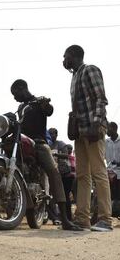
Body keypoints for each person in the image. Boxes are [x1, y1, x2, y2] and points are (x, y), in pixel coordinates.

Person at [10, 79, 82, 231]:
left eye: (15, 94)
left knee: (53, 172)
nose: (14, 97)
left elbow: (49, 110)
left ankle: (64, 219)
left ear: (22, 88)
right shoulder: (21, 107)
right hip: (23, 143)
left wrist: (45, 104)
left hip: (39, 143)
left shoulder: (39, 101)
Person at [63, 44, 112, 231]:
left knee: (99, 173)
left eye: (66, 56)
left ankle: (105, 219)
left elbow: (100, 98)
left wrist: (96, 123)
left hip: (93, 129)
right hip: (81, 131)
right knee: (83, 175)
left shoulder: (89, 70)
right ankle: (82, 218)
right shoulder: (74, 77)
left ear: (74, 56)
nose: (63, 60)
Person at [49, 128, 75, 221]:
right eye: (50, 133)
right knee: (54, 197)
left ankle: (68, 218)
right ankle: (57, 217)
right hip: (54, 173)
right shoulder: (48, 145)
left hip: (65, 174)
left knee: (65, 196)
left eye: (53, 134)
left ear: (56, 134)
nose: (51, 135)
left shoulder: (61, 144)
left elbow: (66, 155)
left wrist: (55, 155)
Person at [106, 122, 120, 202]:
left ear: (114, 129)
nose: (107, 131)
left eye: (108, 128)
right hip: (109, 172)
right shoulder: (106, 142)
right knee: (109, 194)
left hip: (119, 172)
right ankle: (113, 211)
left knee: (118, 194)